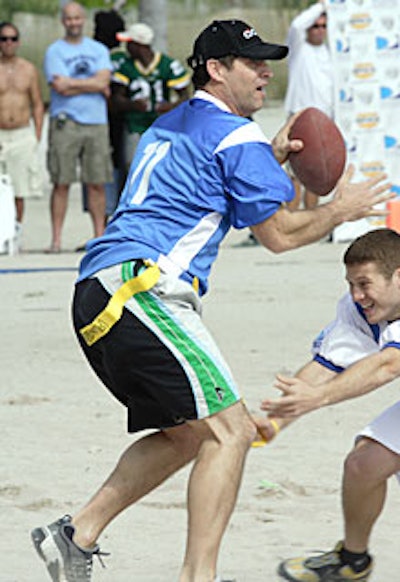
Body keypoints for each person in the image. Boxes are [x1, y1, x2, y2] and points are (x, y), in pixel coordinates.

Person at [30, 19, 391, 582]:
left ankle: (75, 535)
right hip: (143, 291)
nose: (265, 72)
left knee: (191, 435)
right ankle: (199, 577)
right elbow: (280, 236)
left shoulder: (170, 124)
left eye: (267, 61)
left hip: (98, 290)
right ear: (216, 70)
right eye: (252, 63)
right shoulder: (238, 137)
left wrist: (266, 158)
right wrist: (340, 212)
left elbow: (198, 184)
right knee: (232, 430)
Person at [261, 228, 400, 581]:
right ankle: (352, 562)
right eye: (352, 284)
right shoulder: (358, 307)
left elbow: (388, 365)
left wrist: (319, 398)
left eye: (365, 284)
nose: (357, 295)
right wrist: (272, 423)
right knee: (363, 464)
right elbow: (327, 366)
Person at [44, 1, 113, 253]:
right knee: (61, 181)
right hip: (65, 121)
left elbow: (104, 82)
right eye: (69, 18)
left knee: (96, 182)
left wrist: (74, 83)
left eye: (77, 18)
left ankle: (99, 237)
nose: (73, 23)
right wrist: (92, 83)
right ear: (63, 21)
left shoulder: (98, 49)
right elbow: (59, 86)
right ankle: (56, 240)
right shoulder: (54, 51)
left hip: (96, 122)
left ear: (84, 20)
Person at [112, 22, 191, 175]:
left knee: (162, 169)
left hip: (161, 126)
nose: (126, 48)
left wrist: (170, 106)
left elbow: (185, 96)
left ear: (139, 45)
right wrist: (131, 104)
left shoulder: (167, 65)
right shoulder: (125, 66)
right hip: (134, 126)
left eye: (129, 44)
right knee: (133, 168)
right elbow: (116, 99)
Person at [284, 0, 333, 211]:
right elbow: (297, 25)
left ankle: (311, 222)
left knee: (316, 174)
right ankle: (291, 220)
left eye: (323, 26)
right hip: (300, 117)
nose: (319, 30)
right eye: (315, 26)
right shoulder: (299, 49)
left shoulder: (331, 53)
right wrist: (322, 6)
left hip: (325, 121)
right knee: (294, 173)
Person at [0, 21, 44, 250]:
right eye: (4, 38)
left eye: (13, 38)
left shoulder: (28, 69)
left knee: (19, 188)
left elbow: (37, 103)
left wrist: (36, 134)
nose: (8, 43)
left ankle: (15, 231)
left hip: (21, 133)